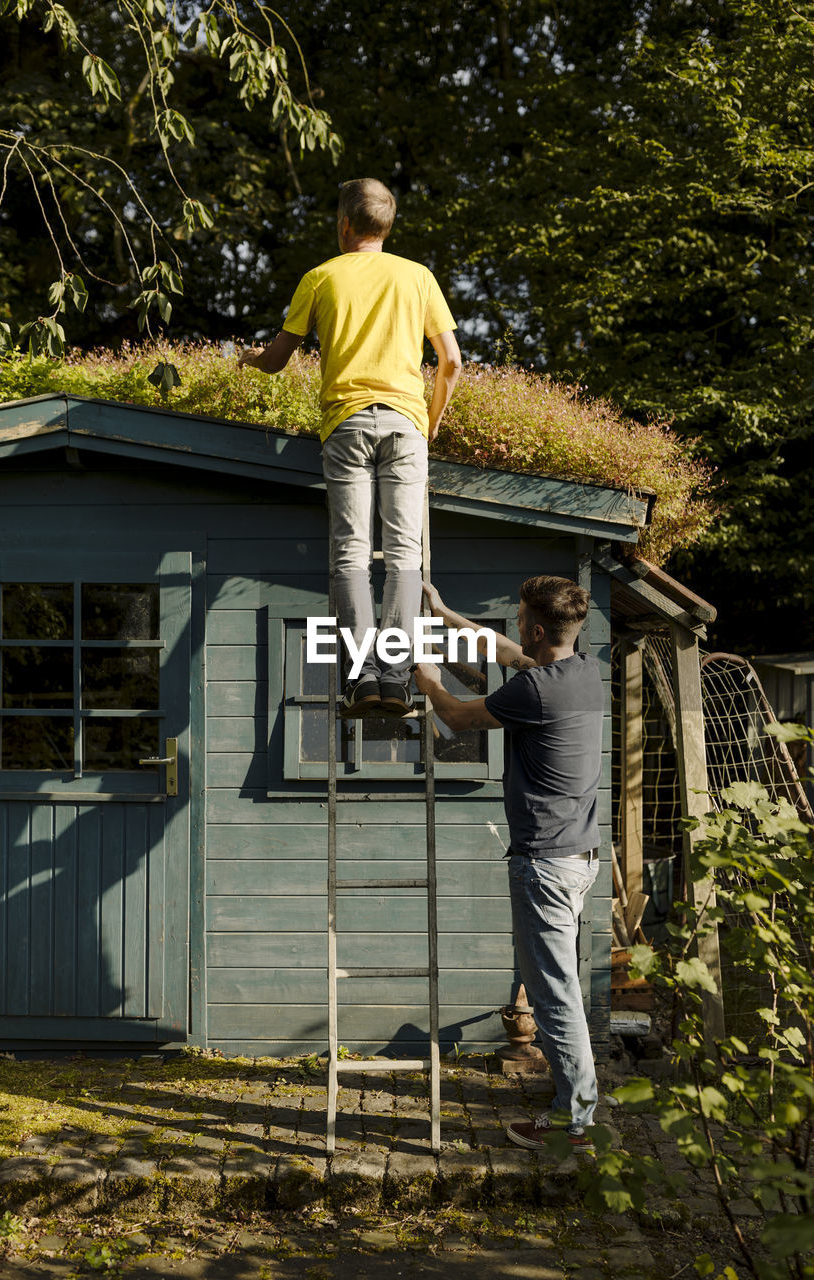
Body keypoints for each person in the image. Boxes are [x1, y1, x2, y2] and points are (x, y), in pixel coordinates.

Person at [239, 178, 462, 717]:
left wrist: (245, 360)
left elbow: (275, 360)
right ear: (388, 226)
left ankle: (361, 679)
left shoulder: (320, 277)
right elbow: (451, 362)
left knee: (350, 553)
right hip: (406, 425)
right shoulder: (419, 277)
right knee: (406, 555)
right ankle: (395, 679)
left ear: (344, 224)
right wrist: (429, 422)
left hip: (346, 425)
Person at [414, 575, 603, 1154]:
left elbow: (456, 715)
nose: (514, 626)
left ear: (539, 627)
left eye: (520, 618)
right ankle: (578, 1104)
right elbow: (505, 652)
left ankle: (573, 1122)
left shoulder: (535, 694)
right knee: (557, 985)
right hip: (576, 856)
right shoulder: (582, 672)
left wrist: (422, 670)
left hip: (545, 862)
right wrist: (444, 613)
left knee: (553, 993)